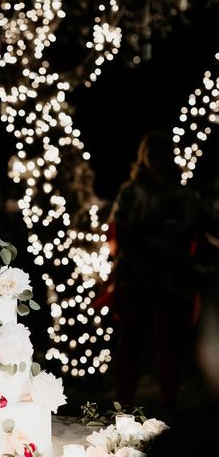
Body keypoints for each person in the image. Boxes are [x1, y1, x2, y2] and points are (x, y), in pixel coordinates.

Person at [109, 130, 199, 419]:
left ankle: (168, 403)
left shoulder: (181, 193)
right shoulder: (130, 192)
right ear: (143, 158)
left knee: (167, 341)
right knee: (129, 343)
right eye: (152, 154)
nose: (156, 160)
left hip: (168, 277)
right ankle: (123, 405)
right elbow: (118, 231)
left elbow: (188, 233)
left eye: (161, 154)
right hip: (135, 275)